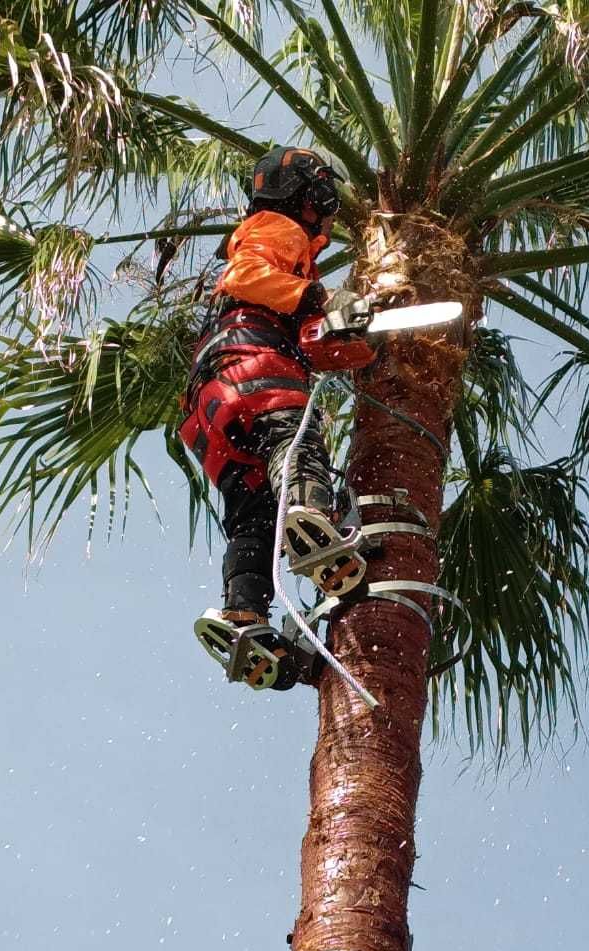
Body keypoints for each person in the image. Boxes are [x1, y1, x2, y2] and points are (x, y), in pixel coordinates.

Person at [180, 146, 364, 690]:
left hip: (209, 399)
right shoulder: (278, 229)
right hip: (251, 361)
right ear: (304, 192)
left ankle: (244, 617)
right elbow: (247, 277)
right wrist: (315, 297)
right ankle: (309, 514)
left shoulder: (277, 238)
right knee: (296, 441)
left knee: (253, 514)